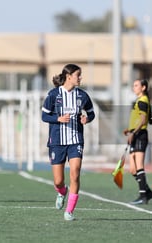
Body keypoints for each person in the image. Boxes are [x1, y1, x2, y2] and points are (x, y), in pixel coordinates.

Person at [41, 64, 95, 221]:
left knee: (75, 173)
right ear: (69, 76)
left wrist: (87, 118)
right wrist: (58, 119)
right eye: (78, 74)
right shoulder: (53, 95)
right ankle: (61, 191)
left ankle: (69, 211)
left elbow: (91, 113)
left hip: (75, 140)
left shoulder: (82, 96)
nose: (80, 77)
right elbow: (44, 116)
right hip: (57, 142)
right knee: (58, 181)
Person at [123, 79, 152, 205]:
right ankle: (147, 191)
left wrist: (133, 132)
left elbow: (143, 120)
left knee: (139, 166)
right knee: (132, 170)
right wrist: (129, 130)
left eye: (136, 85)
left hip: (140, 135)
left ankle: (143, 196)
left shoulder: (142, 101)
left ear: (143, 87)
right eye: (133, 85)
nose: (134, 87)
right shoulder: (139, 100)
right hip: (135, 134)